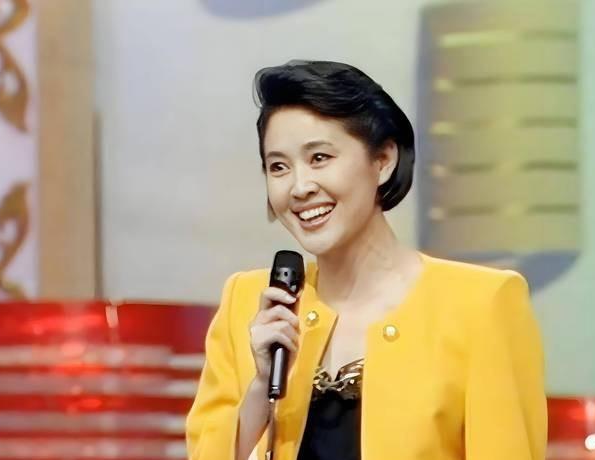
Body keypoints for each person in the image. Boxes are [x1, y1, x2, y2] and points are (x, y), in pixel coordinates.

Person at [185, 60, 547, 460]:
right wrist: (259, 390)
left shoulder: (482, 305)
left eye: (319, 158)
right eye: (278, 167)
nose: (300, 187)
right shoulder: (250, 304)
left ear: (383, 160)